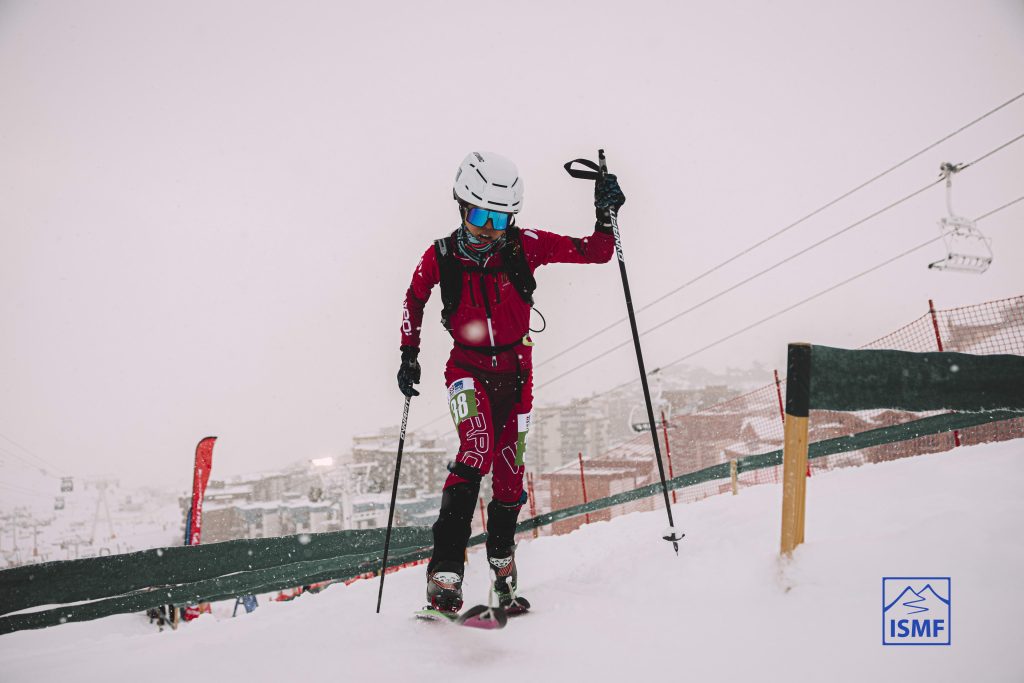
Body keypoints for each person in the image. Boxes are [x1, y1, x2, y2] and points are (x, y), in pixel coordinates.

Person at [397, 151, 625, 614]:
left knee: (508, 478)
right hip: (467, 371)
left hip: (517, 378)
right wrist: (409, 353)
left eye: (500, 218)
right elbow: (414, 298)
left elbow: (598, 252)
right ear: (462, 207)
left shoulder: (527, 245)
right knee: (475, 449)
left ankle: (502, 566)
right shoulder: (439, 256)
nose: (489, 229)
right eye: (480, 215)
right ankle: (445, 575)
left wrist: (606, 213)